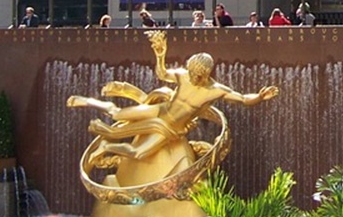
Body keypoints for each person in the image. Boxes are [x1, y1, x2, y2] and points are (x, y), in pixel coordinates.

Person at [68, 31, 279, 163]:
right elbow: (162, 74)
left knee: (138, 153)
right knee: (117, 114)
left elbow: (242, 99)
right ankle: (89, 101)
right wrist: (160, 55)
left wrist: (259, 97)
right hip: (159, 110)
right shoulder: (183, 75)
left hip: (171, 128)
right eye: (192, 73)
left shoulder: (215, 90)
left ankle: (107, 147)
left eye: (198, 75)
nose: (194, 77)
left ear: (206, 73)